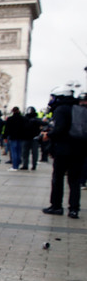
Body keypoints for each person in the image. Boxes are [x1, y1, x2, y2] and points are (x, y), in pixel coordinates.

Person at [42, 87, 86, 219]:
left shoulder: (61, 109)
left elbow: (59, 129)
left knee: (58, 178)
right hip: (79, 150)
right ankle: (74, 209)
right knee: (74, 181)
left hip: (63, 150)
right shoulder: (79, 109)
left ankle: (56, 206)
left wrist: (48, 135)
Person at [21, 106, 44, 170]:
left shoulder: (30, 119)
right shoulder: (26, 119)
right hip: (29, 138)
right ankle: (29, 165)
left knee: (30, 153)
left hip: (31, 138)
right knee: (28, 153)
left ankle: (29, 165)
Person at [4, 106, 27, 171]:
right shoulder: (23, 119)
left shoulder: (10, 119)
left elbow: (7, 129)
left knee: (14, 152)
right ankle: (18, 163)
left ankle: (15, 166)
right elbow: (25, 128)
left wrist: (5, 137)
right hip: (21, 137)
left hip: (13, 137)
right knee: (19, 152)